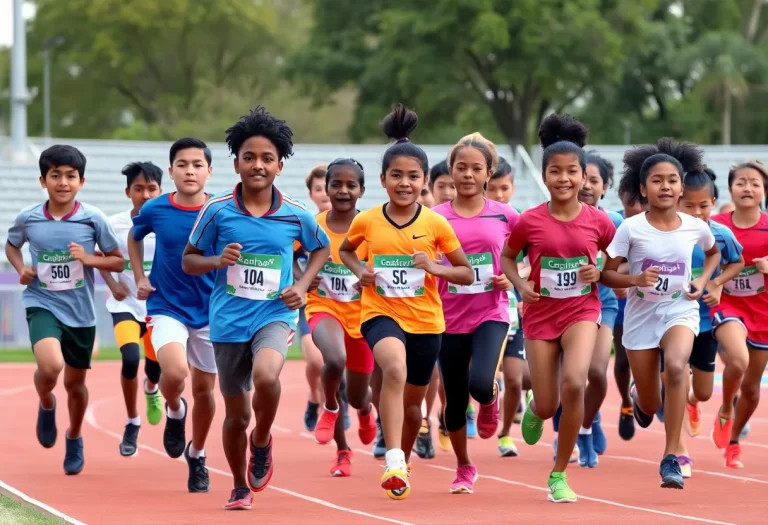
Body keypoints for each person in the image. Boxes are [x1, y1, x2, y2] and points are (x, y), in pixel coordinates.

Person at [182, 106, 330, 509]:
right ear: (236, 163)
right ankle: (238, 484)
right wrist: (217, 261)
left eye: (267, 158)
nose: (258, 165)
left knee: (267, 376)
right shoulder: (217, 211)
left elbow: (322, 248)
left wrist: (301, 284)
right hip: (228, 320)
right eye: (250, 157)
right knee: (235, 415)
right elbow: (189, 260)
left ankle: (262, 440)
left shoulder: (296, 213)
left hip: (274, 312)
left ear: (280, 165)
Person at [339, 103, 474, 499]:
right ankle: (394, 457)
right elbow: (348, 250)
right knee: (393, 369)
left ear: (425, 183)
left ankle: (404, 457)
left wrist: (435, 268)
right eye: (396, 175)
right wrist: (358, 271)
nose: (404, 183)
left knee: (414, 406)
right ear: (382, 179)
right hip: (380, 313)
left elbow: (465, 272)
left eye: (413, 176)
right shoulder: (367, 220)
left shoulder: (436, 223)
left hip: (427, 323)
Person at [500, 114, 616, 503]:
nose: (563, 178)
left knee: (576, 382)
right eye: (555, 171)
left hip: (582, 311)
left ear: (585, 177)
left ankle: (559, 474)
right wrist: (519, 286)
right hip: (539, 315)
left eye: (572, 172)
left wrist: (599, 271)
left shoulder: (599, 222)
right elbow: (506, 258)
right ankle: (537, 407)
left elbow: (616, 263)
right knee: (549, 404)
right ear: (545, 176)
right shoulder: (529, 221)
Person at [601, 138, 721, 489]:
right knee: (651, 404)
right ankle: (640, 395)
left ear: (682, 186)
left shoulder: (694, 225)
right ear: (643, 188)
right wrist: (635, 279)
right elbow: (609, 273)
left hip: (679, 309)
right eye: (656, 180)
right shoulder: (631, 228)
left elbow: (713, 254)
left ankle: (671, 457)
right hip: (641, 317)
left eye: (672, 180)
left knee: (677, 364)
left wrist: (702, 279)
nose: (665, 186)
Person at [5, 144, 124, 475]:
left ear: (81, 182)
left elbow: (117, 260)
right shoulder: (28, 218)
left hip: (81, 312)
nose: (63, 182)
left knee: (75, 385)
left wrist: (88, 259)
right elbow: (12, 245)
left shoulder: (93, 218)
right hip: (41, 301)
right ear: (43, 180)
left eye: (70, 176)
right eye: (55, 175)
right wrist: (20, 269)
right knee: (51, 364)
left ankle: (74, 435)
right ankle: (45, 401)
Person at [128, 137, 218, 493]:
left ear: (209, 172)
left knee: (207, 391)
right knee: (175, 372)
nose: (190, 171)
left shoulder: (221, 210)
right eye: (183, 164)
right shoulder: (155, 209)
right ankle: (175, 409)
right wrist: (139, 276)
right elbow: (135, 238)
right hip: (167, 306)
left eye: (198, 165)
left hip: (213, 310)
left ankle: (197, 455)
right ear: (171, 171)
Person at [434, 132, 519, 493]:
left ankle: (490, 399)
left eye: (476, 168)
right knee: (453, 402)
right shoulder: (434, 218)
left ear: (489, 173)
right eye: (461, 168)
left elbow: (530, 257)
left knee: (481, 383)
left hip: (490, 312)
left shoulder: (506, 215)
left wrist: (515, 278)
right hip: (446, 317)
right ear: (451, 173)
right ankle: (464, 466)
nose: (468, 174)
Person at [304, 158, 378, 477]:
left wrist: (368, 277)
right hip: (324, 307)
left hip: (362, 317)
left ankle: (364, 410)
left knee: (359, 394)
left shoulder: (373, 228)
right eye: (336, 184)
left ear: (361, 190)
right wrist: (304, 277)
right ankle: (340, 439)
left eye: (351, 185)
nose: (343, 190)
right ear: (327, 188)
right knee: (332, 360)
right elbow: (290, 259)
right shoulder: (312, 224)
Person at [674, 167, 744, 478]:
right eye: (689, 205)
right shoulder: (664, 232)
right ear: (677, 202)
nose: (697, 212)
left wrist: (716, 285)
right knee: (674, 375)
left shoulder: (719, 234)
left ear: (713, 203)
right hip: (670, 320)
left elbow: (737, 262)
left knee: (701, 391)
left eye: (704, 205)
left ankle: (693, 402)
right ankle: (678, 451)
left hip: (704, 321)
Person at [100, 161, 164, 457]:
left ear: (161, 190)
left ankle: (152, 390)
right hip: (125, 303)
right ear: (128, 192)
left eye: (151, 188)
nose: (145, 194)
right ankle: (131, 421)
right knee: (128, 359)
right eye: (139, 189)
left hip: (158, 308)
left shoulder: (169, 222)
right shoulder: (115, 225)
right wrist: (113, 284)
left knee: (154, 370)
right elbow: (102, 257)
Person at [709, 161, 768, 468]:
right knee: (738, 358)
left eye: (754, 183)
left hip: (762, 311)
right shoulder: (715, 224)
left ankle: (733, 442)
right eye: (741, 182)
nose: (747, 188)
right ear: (731, 188)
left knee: (752, 388)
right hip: (726, 304)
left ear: (764, 192)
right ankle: (725, 409)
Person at [490, 157, 531, 458]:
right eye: (493, 189)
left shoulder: (516, 219)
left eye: (505, 188)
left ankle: (505, 435)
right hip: (474, 310)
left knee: (515, 378)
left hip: (510, 310)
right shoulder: (472, 218)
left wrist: (514, 277)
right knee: (480, 378)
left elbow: (532, 262)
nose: (500, 195)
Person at [301, 165, 331, 432]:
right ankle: (314, 396)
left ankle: (335, 402)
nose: (325, 194)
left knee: (339, 361)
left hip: (347, 304)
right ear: (311, 194)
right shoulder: (306, 225)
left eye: (328, 187)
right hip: (310, 305)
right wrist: (305, 278)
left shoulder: (355, 226)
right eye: (319, 189)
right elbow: (288, 257)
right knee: (315, 360)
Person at [614, 187, 645, 440]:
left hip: (652, 302)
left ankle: (651, 394)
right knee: (623, 361)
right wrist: (623, 279)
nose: (636, 209)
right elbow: (610, 266)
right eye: (629, 204)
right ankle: (626, 403)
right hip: (622, 303)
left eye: (641, 204)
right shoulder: (618, 226)